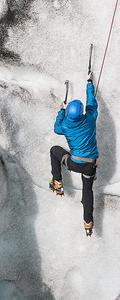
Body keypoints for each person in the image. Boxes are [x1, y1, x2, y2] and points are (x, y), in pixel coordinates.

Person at [49, 71, 98, 237]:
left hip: (74, 163)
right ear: (81, 112)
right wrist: (89, 82)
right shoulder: (90, 119)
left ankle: (57, 181)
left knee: (55, 150)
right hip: (90, 165)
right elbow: (92, 103)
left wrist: (60, 111)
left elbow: (56, 128)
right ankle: (88, 222)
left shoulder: (65, 126)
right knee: (87, 191)